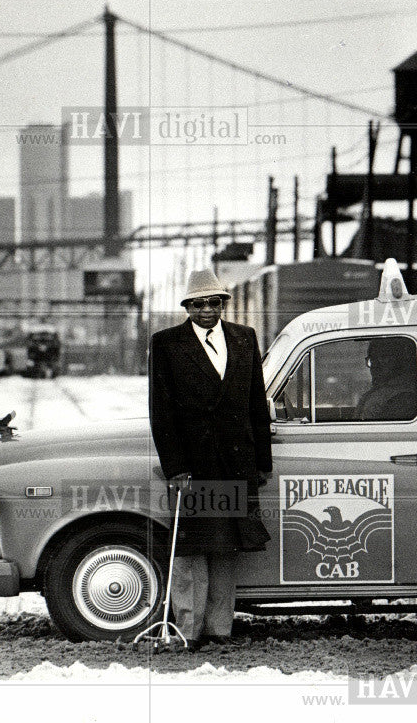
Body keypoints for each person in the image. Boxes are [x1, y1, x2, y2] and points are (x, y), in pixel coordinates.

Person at [148, 269, 272, 650]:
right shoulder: (167, 344)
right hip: (194, 466)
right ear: (187, 307)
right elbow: (161, 411)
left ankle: (220, 631)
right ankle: (189, 630)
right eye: (199, 303)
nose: (207, 310)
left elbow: (256, 404)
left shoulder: (244, 338)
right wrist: (176, 467)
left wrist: (261, 462)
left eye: (214, 302)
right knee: (192, 547)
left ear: (223, 304)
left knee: (226, 546)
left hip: (236, 461)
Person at [356, 337, 417, 421]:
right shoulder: (381, 390)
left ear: (399, 360)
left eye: (384, 358)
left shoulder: (404, 397)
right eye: (372, 360)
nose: (375, 366)